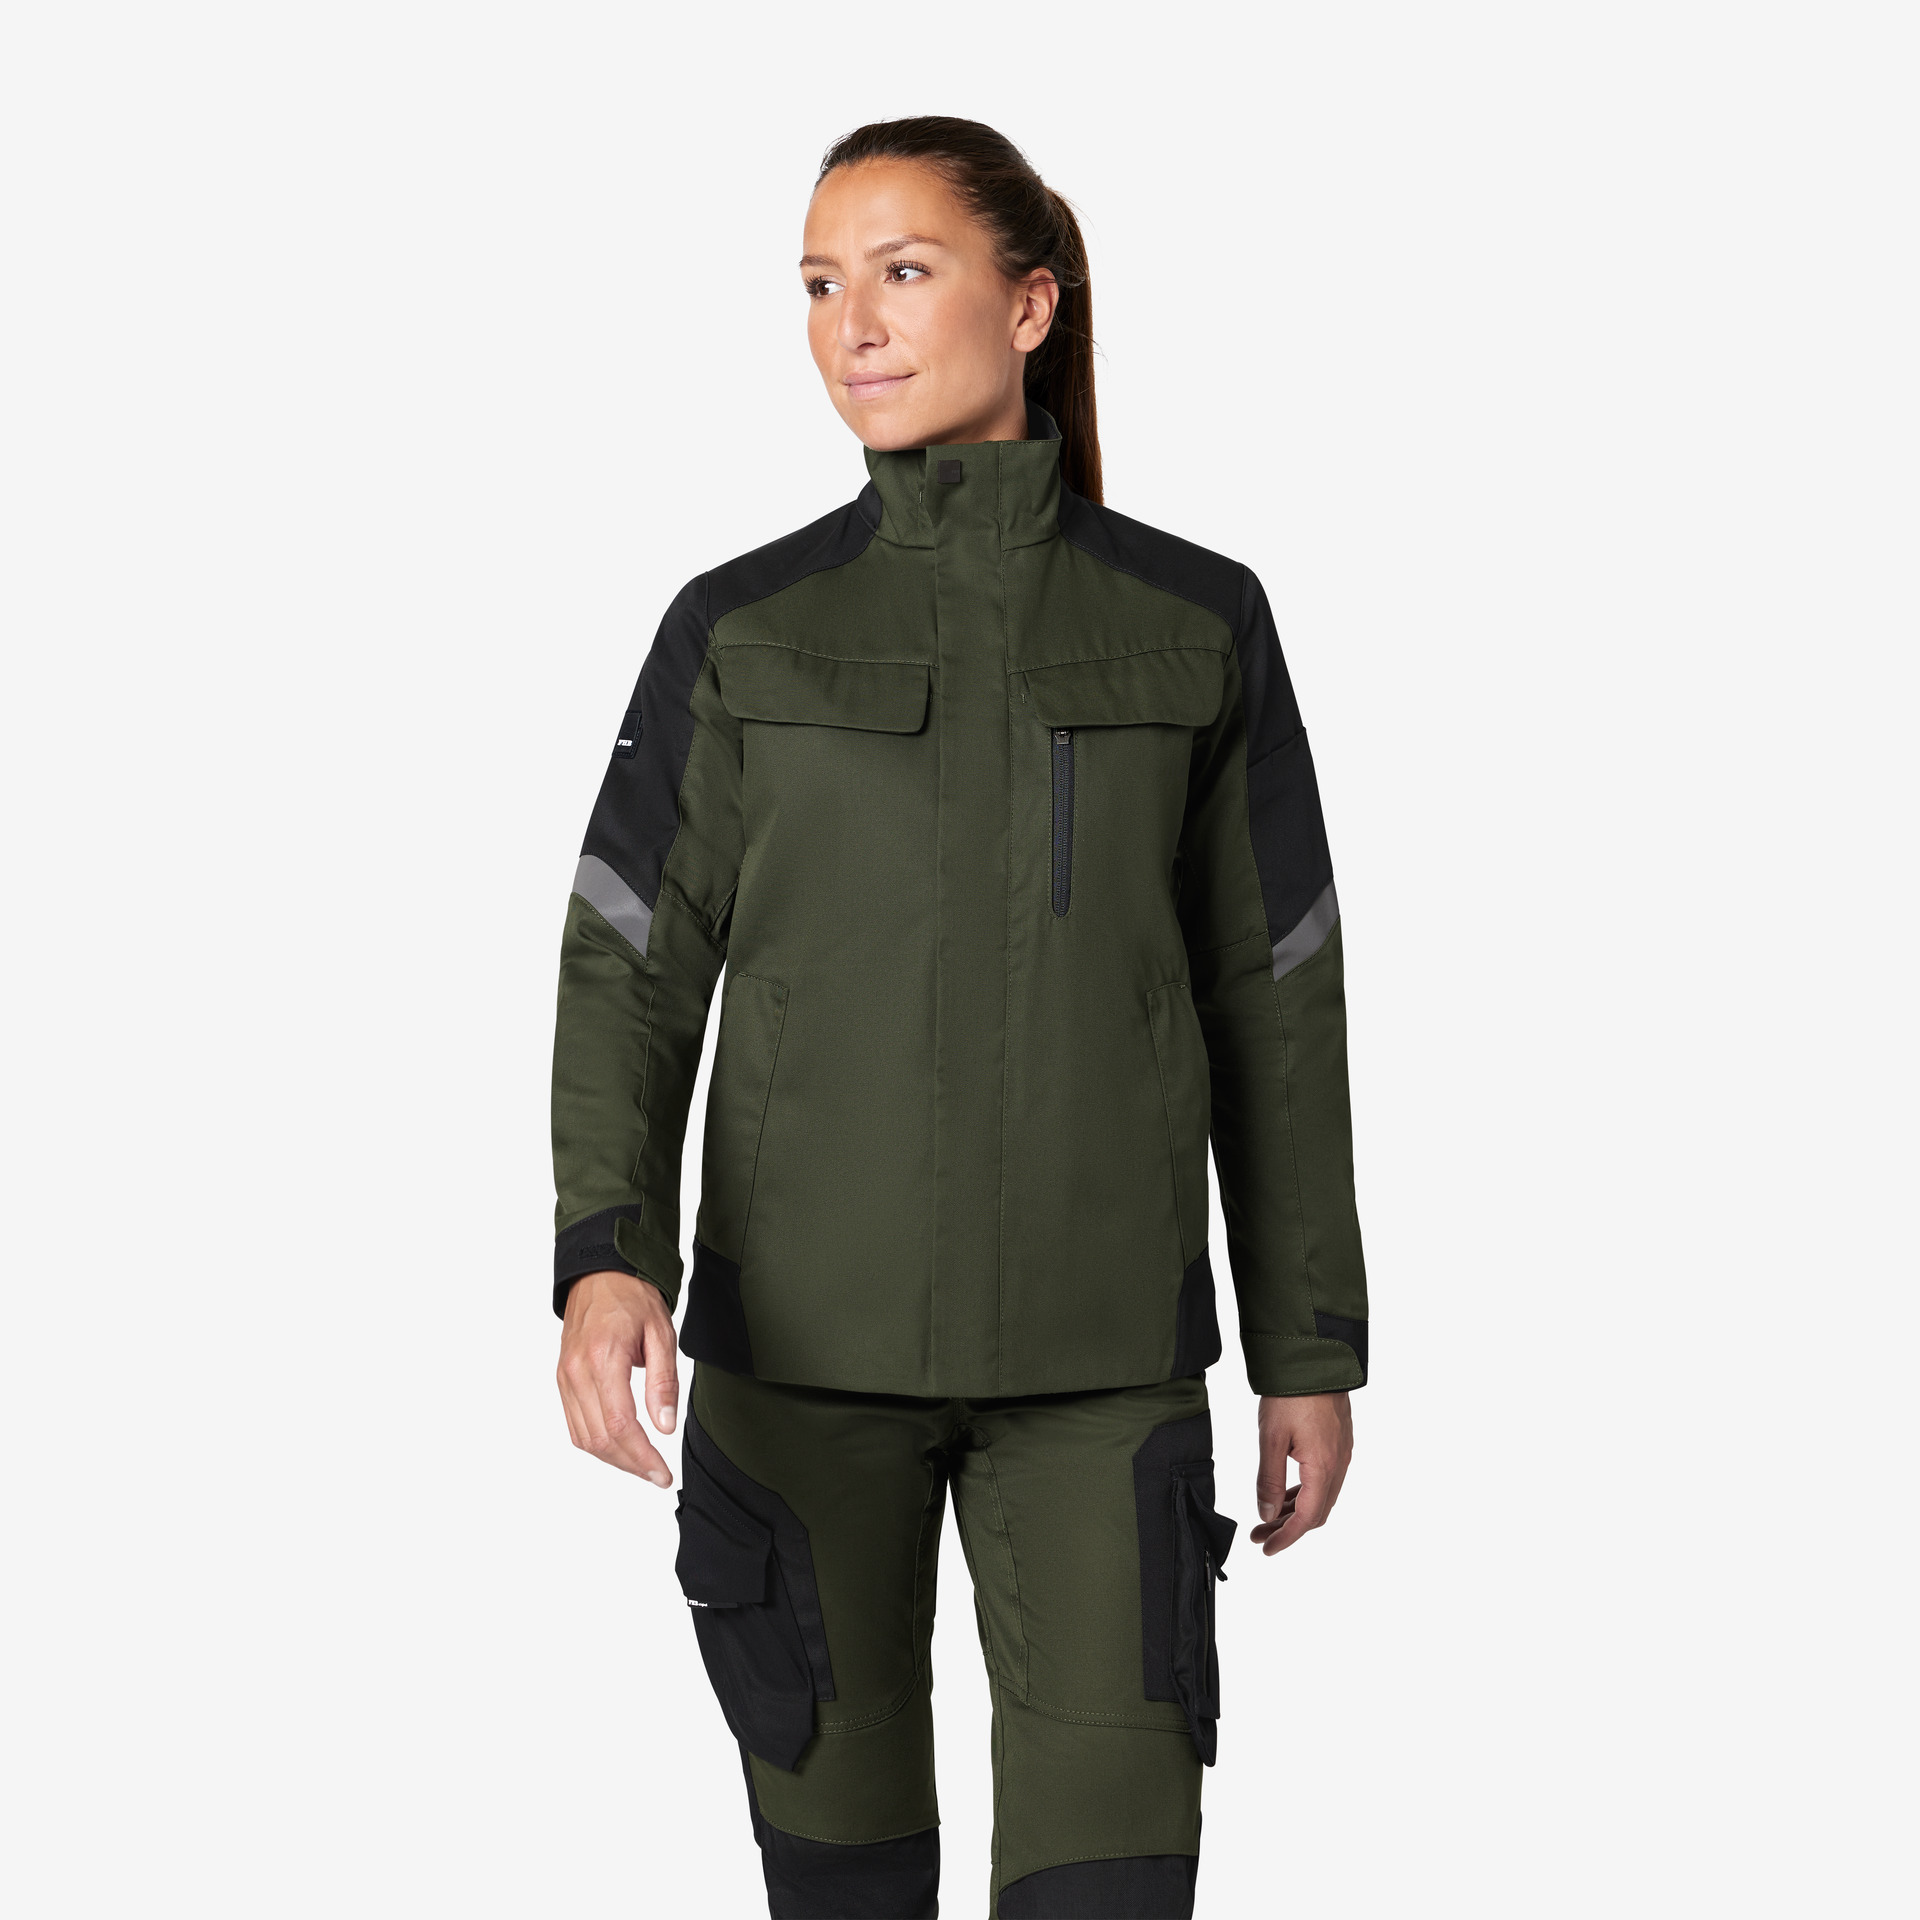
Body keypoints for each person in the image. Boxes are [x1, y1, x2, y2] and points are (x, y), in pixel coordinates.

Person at [549, 116, 1368, 1920]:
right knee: (843, 1886)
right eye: (819, 285)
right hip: (797, 1365)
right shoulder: (743, 628)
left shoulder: (1196, 621)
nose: (852, 324)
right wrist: (607, 1256)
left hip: (1103, 1369)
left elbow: (1275, 996)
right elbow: (629, 958)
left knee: (1109, 1886)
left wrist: (1307, 1343)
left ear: (1032, 303)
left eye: (903, 272)